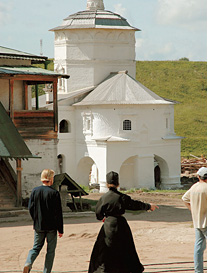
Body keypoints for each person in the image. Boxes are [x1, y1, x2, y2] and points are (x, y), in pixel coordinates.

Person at [88, 171, 159, 273]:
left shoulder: (103, 198)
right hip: (121, 225)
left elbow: (98, 215)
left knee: (104, 249)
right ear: (118, 184)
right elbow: (135, 205)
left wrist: (104, 218)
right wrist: (148, 206)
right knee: (125, 248)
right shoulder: (122, 197)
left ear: (107, 184)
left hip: (108, 225)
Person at [23, 169, 64, 273]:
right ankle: (46, 271)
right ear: (50, 178)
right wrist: (60, 229)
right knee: (50, 251)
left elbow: (31, 208)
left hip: (39, 225)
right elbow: (58, 213)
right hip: (52, 227)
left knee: (36, 248)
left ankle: (28, 263)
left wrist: (36, 220)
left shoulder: (35, 191)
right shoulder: (54, 193)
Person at [182, 167, 207, 273]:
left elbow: (184, 198)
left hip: (197, 221)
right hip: (207, 221)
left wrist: (193, 210)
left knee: (198, 248)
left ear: (198, 176)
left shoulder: (194, 187)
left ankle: (198, 270)